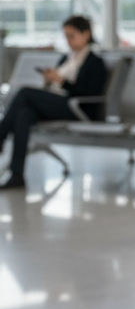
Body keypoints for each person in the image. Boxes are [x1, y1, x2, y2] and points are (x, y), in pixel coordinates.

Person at [0, 16, 106, 190]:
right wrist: (50, 80)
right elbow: (57, 87)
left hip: (78, 108)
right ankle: (17, 175)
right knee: (23, 114)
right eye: (66, 36)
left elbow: (89, 93)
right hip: (58, 104)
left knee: (25, 93)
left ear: (86, 34)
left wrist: (62, 81)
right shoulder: (66, 58)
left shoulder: (95, 62)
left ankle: (1, 135)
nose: (68, 41)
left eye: (72, 36)